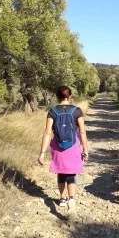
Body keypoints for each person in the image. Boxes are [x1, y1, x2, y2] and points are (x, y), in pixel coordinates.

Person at [38, 86, 88, 219]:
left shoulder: (53, 112)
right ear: (70, 96)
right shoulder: (77, 111)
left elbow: (48, 132)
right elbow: (82, 132)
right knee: (71, 174)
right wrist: (85, 149)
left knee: (61, 173)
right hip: (73, 146)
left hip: (58, 146)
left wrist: (42, 152)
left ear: (57, 96)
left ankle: (62, 198)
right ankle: (71, 199)